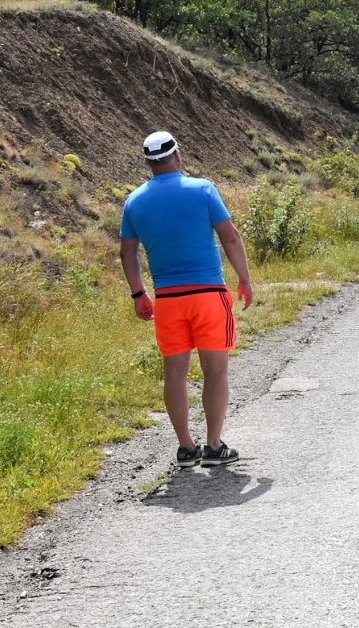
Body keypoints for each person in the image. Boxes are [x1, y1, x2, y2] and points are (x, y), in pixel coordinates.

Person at [120, 131, 253, 468]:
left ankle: (185, 448)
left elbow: (127, 253)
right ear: (177, 155)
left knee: (175, 373)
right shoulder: (203, 189)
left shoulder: (134, 201)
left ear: (149, 163)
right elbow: (231, 238)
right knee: (216, 370)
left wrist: (139, 293)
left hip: (167, 299)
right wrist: (245, 279)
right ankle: (212, 446)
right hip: (208, 294)